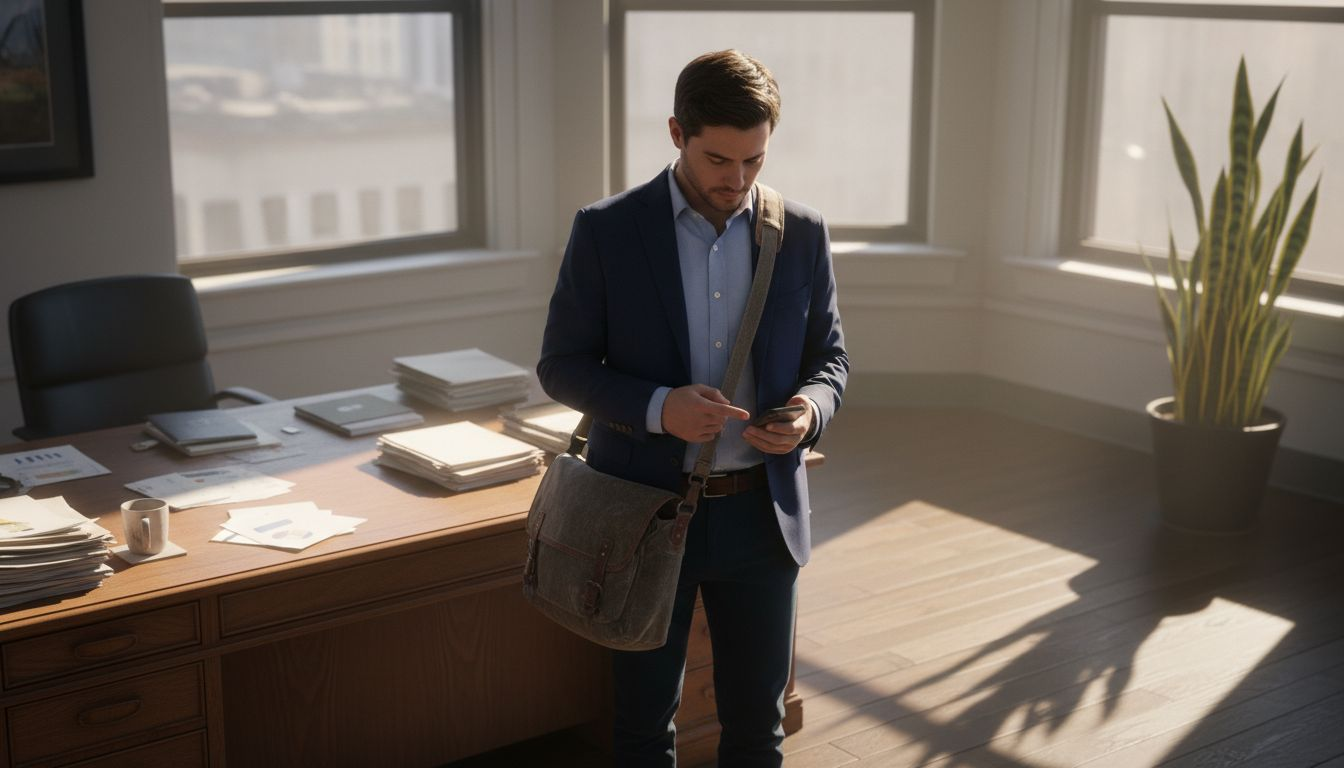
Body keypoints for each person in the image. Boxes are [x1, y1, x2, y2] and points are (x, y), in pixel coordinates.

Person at [537, 49, 848, 767]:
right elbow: (560, 365)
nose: (735, 182)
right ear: (677, 132)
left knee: (758, 731)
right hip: (642, 515)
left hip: (761, 519)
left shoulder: (800, 232)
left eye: (754, 161)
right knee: (644, 729)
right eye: (717, 159)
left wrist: (807, 411)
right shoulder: (606, 229)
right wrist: (657, 409)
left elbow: (830, 360)